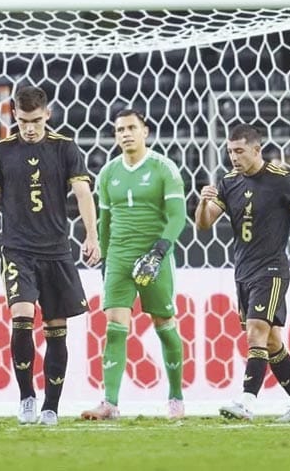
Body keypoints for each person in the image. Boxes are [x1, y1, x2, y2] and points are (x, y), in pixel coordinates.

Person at [0, 86, 100, 426]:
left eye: (36, 120)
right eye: (23, 121)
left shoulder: (65, 148)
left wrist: (92, 235)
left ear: (48, 114)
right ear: (14, 116)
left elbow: (83, 193)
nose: (30, 128)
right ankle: (27, 396)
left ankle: (51, 407)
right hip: (17, 251)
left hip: (56, 251)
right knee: (22, 317)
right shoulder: (0, 152)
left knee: (57, 329)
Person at [195, 123, 290, 422]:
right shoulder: (229, 182)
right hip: (243, 270)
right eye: (229, 152)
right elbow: (205, 224)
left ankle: (246, 402)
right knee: (272, 341)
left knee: (255, 332)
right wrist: (202, 202)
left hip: (272, 268)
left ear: (256, 149)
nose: (233, 157)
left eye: (239, 151)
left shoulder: (281, 179)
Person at [80, 109, 187, 421]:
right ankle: (110, 403)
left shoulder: (164, 168)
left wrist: (159, 251)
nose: (125, 134)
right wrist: (100, 251)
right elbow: (106, 221)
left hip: (154, 258)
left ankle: (176, 398)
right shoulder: (108, 173)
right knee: (114, 328)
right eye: (119, 130)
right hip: (119, 258)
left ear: (145, 132)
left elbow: (178, 216)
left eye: (131, 128)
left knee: (165, 327)